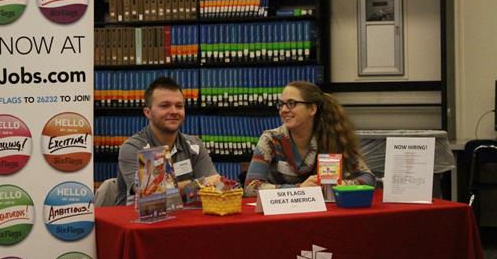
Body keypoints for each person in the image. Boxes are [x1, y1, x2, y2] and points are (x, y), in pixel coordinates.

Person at [244, 81, 375, 196]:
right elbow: (251, 188)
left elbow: (368, 178)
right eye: (281, 104)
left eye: (291, 103)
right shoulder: (271, 139)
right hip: (282, 214)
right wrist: (299, 189)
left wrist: (341, 185)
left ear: (312, 109)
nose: (283, 110)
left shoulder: (331, 136)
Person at [116, 76, 219, 205]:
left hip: (184, 219)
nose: (174, 111)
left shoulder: (195, 145)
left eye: (179, 106)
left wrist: (200, 184)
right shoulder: (133, 148)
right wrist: (198, 183)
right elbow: (151, 194)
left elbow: (214, 182)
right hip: (138, 221)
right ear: (147, 112)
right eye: (165, 106)